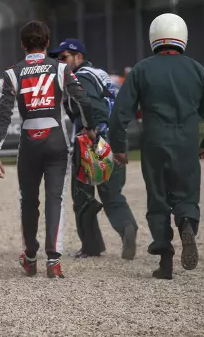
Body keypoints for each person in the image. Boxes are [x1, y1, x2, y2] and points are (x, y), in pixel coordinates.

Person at [109, 13, 204, 280]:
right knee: (186, 194)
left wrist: (119, 147)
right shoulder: (196, 69)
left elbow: (120, 113)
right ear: (182, 36)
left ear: (153, 37)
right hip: (186, 142)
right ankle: (186, 223)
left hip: (154, 142)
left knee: (158, 199)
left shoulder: (141, 69)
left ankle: (165, 260)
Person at [0, 21, 96, 279]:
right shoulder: (61, 68)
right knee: (55, 198)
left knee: (29, 201)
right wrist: (90, 128)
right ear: (47, 43)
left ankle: (30, 257)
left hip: (29, 141)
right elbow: (82, 100)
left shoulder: (12, 72)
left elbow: (3, 115)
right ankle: (53, 260)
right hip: (56, 139)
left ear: (23, 45)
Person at [48, 38, 138, 260]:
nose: (60, 62)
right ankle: (127, 226)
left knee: (82, 196)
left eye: (64, 57)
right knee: (112, 193)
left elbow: (93, 107)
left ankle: (91, 246)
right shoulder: (101, 75)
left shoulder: (80, 78)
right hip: (114, 140)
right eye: (57, 58)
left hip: (91, 142)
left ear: (78, 57)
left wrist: (93, 131)